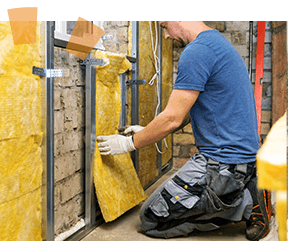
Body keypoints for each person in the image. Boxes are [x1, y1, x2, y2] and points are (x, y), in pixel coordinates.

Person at [96, 21, 271, 240]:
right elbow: (185, 112)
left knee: (152, 220)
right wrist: (148, 130)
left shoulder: (197, 51)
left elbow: (172, 118)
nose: (166, 36)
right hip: (238, 160)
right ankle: (245, 185)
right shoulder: (216, 43)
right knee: (163, 210)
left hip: (222, 166)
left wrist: (127, 144)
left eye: (164, 26)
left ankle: (243, 202)